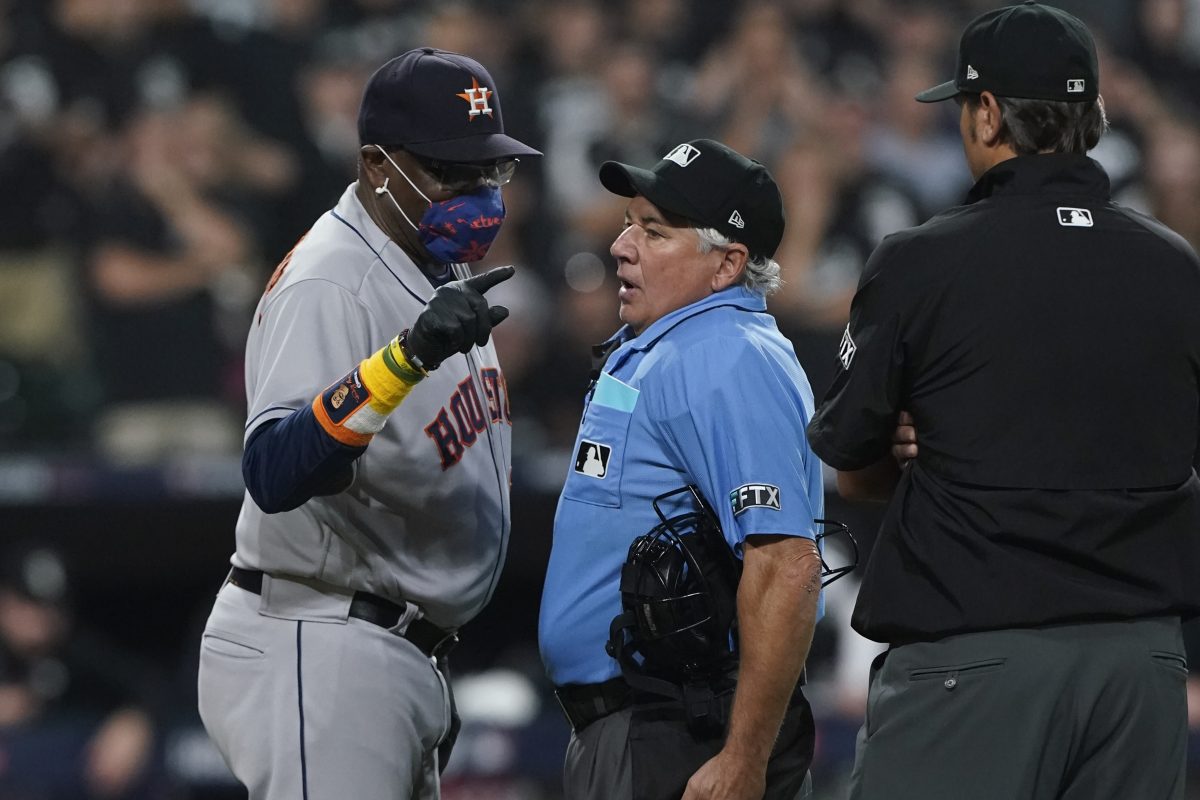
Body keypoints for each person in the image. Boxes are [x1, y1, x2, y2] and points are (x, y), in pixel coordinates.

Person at [805, 4, 1200, 799]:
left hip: (977, 656)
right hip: (1143, 667)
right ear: (1089, 116)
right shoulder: (1174, 264)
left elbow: (850, 460)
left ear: (987, 113)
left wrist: (937, 438)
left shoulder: (924, 261)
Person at [196, 47, 540, 800]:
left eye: (490, 170)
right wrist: (406, 359)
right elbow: (275, 471)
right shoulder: (331, 280)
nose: (479, 191)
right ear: (379, 165)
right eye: (453, 170)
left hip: (390, 652)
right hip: (319, 641)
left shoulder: (426, 258)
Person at [539, 139, 827, 800]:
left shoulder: (724, 355)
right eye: (628, 222)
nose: (621, 245)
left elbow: (787, 564)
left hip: (686, 732)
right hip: (647, 727)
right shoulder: (673, 344)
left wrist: (743, 760)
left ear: (726, 265)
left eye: (654, 231)